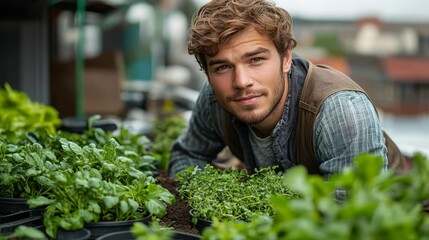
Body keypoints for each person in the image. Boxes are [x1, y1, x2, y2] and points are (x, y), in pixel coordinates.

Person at [168, 0, 407, 178]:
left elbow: (351, 217)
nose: (241, 81)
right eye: (222, 67)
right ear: (207, 73)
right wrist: (218, 197)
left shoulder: (340, 110)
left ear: (286, 59)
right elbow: (188, 155)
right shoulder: (214, 99)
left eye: (256, 60)